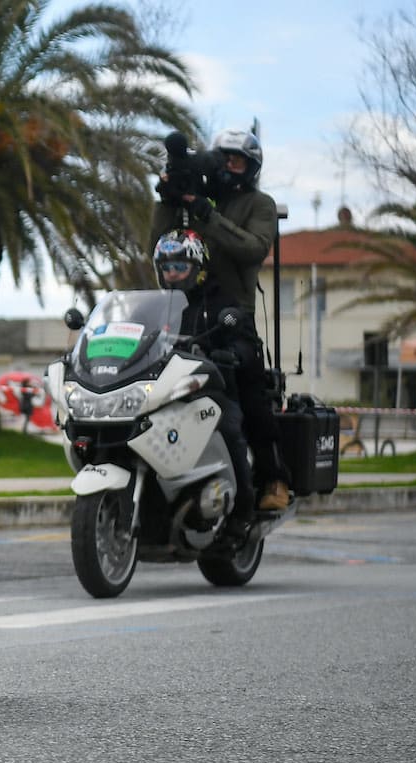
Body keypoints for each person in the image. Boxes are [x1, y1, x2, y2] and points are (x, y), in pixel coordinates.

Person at [151, 129, 291, 512]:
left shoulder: (259, 204)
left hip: (234, 315)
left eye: (237, 159)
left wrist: (207, 215)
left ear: (251, 167)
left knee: (249, 396)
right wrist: (168, 201)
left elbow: (252, 249)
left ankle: (274, 478)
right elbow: (157, 246)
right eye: (223, 157)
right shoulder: (196, 199)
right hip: (183, 310)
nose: (228, 165)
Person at [153, 228, 254, 534]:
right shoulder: (157, 307)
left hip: (210, 391)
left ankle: (243, 511)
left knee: (227, 429)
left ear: (197, 268)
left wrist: (230, 353)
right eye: (166, 268)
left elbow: (247, 342)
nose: (172, 274)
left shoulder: (219, 300)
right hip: (163, 390)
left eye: (179, 267)